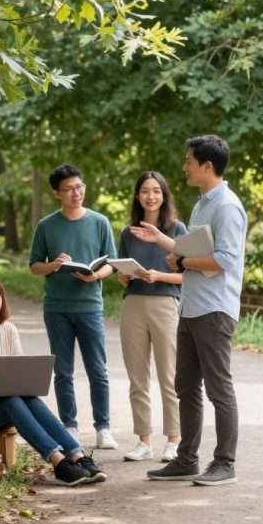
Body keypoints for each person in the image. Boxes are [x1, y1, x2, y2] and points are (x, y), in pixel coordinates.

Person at [135, 135, 247, 486]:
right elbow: (193, 250)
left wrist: (182, 260)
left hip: (215, 309)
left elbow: (226, 259)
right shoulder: (201, 205)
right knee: (185, 385)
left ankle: (225, 462)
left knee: (218, 387)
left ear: (207, 166)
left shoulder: (227, 206)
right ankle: (186, 459)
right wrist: (168, 245)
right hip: (191, 307)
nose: (184, 166)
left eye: (189, 161)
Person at [0, 271, 107, 486]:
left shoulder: (8, 330)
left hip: (6, 398)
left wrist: (23, 383)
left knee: (29, 399)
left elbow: (19, 370)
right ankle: (58, 461)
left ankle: (77, 456)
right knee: (10, 400)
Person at [29, 163, 118, 449]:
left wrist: (95, 276)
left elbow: (112, 265)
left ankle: (103, 427)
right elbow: (34, 267)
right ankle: (69, 425)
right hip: (57, 308)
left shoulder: (99, 222)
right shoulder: (46, 225)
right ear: (57, 193)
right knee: (63, 371)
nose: (75, 193)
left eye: (79, 187)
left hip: (90, 306)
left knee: (98, 369)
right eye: (68, 189)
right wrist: (53, 265)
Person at [116, 172, 186, 462]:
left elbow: (187, 275)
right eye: (145, 191)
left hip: (165, 304)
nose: (151, 196)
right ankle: (143, 441)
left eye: (156, 191)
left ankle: (173, 440)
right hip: (133, 303)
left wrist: (158, 275)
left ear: (164, 195)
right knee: (137, 377)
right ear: (137, 196)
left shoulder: (177, 230)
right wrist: (126, 274)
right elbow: (121, 278)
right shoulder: (127, 232)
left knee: (168, 375)